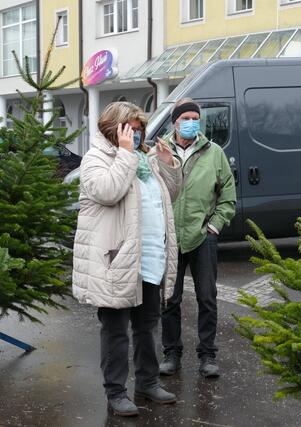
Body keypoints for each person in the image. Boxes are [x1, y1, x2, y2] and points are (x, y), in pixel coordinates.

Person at [72, 102, 182, 417]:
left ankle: (147, 382)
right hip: (115, 261)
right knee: (116, 331)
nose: (135, 135)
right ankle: (116, 392)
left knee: (148, 327)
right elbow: (109, 191)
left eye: (139, 130)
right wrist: (125, 154)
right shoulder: (96, 159)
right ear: (113, 128)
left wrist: (168, 164)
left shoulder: (145, 160)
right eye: (129, 129)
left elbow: (169, 197)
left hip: (148, 259)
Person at [159, 98, 237, 378]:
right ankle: (171, 353)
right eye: (185, 118)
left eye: (195, 118)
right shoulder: (160, 151)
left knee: (207, 297)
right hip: (170, 237)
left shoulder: (213, 153)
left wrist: (214, 226)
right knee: (169, 298)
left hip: (202, 236)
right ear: (174, 122)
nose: (191, 122)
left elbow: (228, 195)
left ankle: (207, 355)